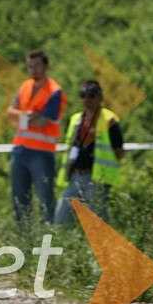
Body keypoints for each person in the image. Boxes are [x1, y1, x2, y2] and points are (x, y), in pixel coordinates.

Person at [6, 49, 66, 223]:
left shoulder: (55, 92)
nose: (33, 70)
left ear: (46, 66)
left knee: (45, 199)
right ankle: (24, 233)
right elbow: (9, 114)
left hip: (42, 153)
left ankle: (48, 234)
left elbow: (42, 123)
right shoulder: (25, 87)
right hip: (20, 150)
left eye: (37, 66)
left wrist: (21, 115)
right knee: (19, 198)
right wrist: (29, 114)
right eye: (30, 66)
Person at [54, 81, 124, 226]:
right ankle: (60, 241)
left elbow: (119, 151)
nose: (87, 100)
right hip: (74, 177)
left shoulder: (109, 120)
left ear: (100, 98)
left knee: (98, 224)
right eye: (83, 96)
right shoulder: (76, 119)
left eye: (91, 96)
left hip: (95, 179)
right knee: (60, 220)